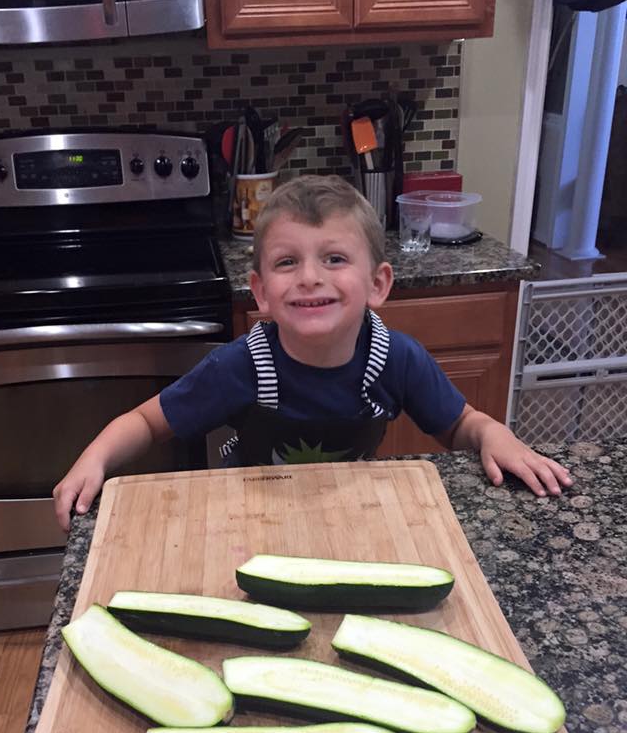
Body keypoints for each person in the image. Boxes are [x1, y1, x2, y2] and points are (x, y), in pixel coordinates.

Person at [53, 174, 573, 531]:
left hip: (351, 518)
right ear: (260, 292)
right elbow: (146, 423)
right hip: (250, 524)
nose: (309, 277)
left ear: (377, 283)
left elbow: (461, 424)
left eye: (334, 258)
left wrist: (495, 434)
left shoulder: (398, 359)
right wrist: (95, 457)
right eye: (287, 262)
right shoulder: (239, 365)